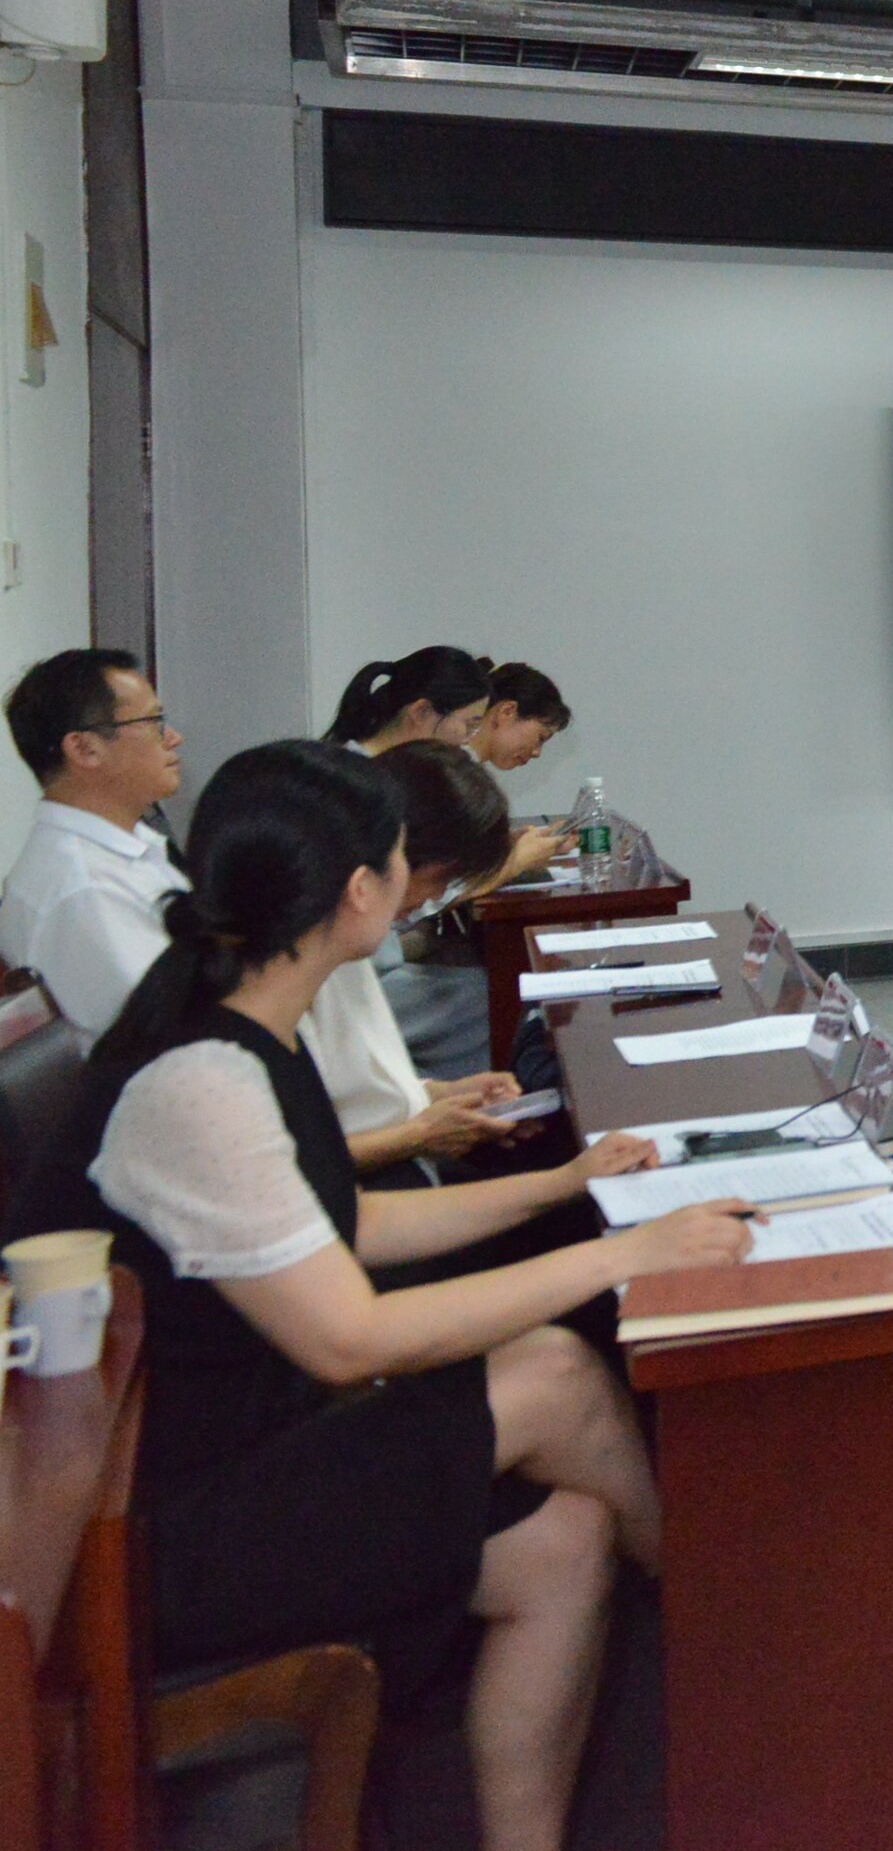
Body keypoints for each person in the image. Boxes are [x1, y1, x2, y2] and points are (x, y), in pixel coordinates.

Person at [2, 742, 756, 1851]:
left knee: (563, 1538)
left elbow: (340, 1225)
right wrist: (622, 1255)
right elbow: (349, 1339)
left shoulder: (236, 1013)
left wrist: (562, 1185)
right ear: (361, 889)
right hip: (158, 1526)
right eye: (404, 858)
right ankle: (728, 1619)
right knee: (554, 1372)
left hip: (231, 1450)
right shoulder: (200, 1076)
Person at [306, 744, 538, 1183]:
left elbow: (364, 1090)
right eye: (440, 880)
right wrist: (419, 1135)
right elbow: (297, 1159)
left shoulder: (347, 942)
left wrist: (446, 1094)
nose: (435, 898)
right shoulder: (301, 964)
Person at [0, 648, 188, 1030]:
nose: (173, 738)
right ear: (84, 748)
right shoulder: (84, 888)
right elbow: (175, 1032)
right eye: (154, 721)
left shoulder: (125, 847)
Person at [325, 647, 496, 754]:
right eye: (470, 725)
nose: (466, 741)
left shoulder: (397, 775)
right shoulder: (352, 781)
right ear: (422, 711)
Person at [470, 665, 571, 774]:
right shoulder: (457, 772)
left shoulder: (469, 774)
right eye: (541, 738)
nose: (537, 753)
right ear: (507, 712)